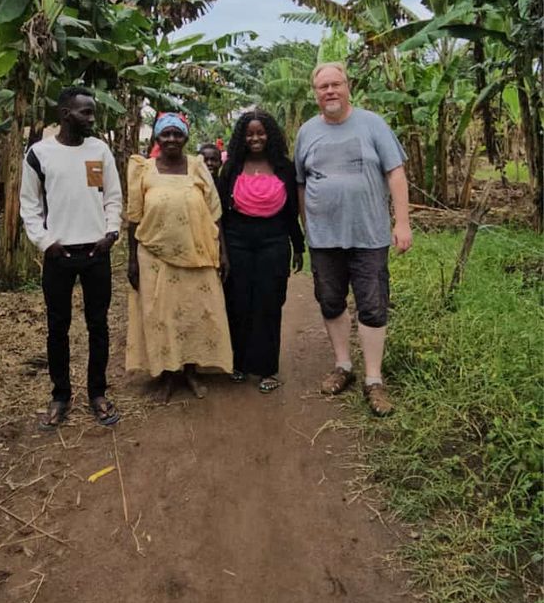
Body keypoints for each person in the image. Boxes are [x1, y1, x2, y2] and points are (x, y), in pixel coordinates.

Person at [294, 63, 412, 416]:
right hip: (324, 238)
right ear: (314, 93)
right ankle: (343, 366)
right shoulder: (307, 132)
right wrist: (306, 224)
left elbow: (396, 172)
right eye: (322, 87)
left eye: (335, 84)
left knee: (373, 305)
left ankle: (374, 379)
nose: (329, 91)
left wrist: (402, 222)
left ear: (348, 87)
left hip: (369, 234)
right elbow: (301, 182)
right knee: (330, 301)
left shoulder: (372, 124)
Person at [20, 86, 123, 429]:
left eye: (92, 112)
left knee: (98, 325)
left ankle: (97, 392)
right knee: (57, 327)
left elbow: (112, 195)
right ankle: (60, 395)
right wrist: (45, 242)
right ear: (66, 114)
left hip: (97, 251)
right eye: (86, 113)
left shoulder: (100, 150)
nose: (92, 119)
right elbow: (30, 206)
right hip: (59, 254)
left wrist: (111, 233)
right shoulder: (40, 154)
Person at [125, 113, 233, 403]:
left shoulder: (198, 167)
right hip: (153, 257)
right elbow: (133, 218)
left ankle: (191, 371)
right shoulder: (143, 170)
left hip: (197, 254)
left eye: (177, 134)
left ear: (186, 138)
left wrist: (222, 252)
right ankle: (167, 375)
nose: (172, 139)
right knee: (162, 316)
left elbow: (215, 213)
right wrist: (132, 260)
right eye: (166, 134)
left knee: (192, 313)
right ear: (157, 139)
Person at [219, 110, 304, 392]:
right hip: (237, 241)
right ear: (242, 137)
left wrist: (298, 246)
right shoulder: (231, 168)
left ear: (270, 134)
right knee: (238, 303)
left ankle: (267, 369)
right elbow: (219, 214)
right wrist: (222, 252)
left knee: (269, 304)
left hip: (274, 241)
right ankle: (239, 364)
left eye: (261, 132)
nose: (255, 138)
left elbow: (292, 212)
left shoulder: (284, 168)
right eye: (250, 133)